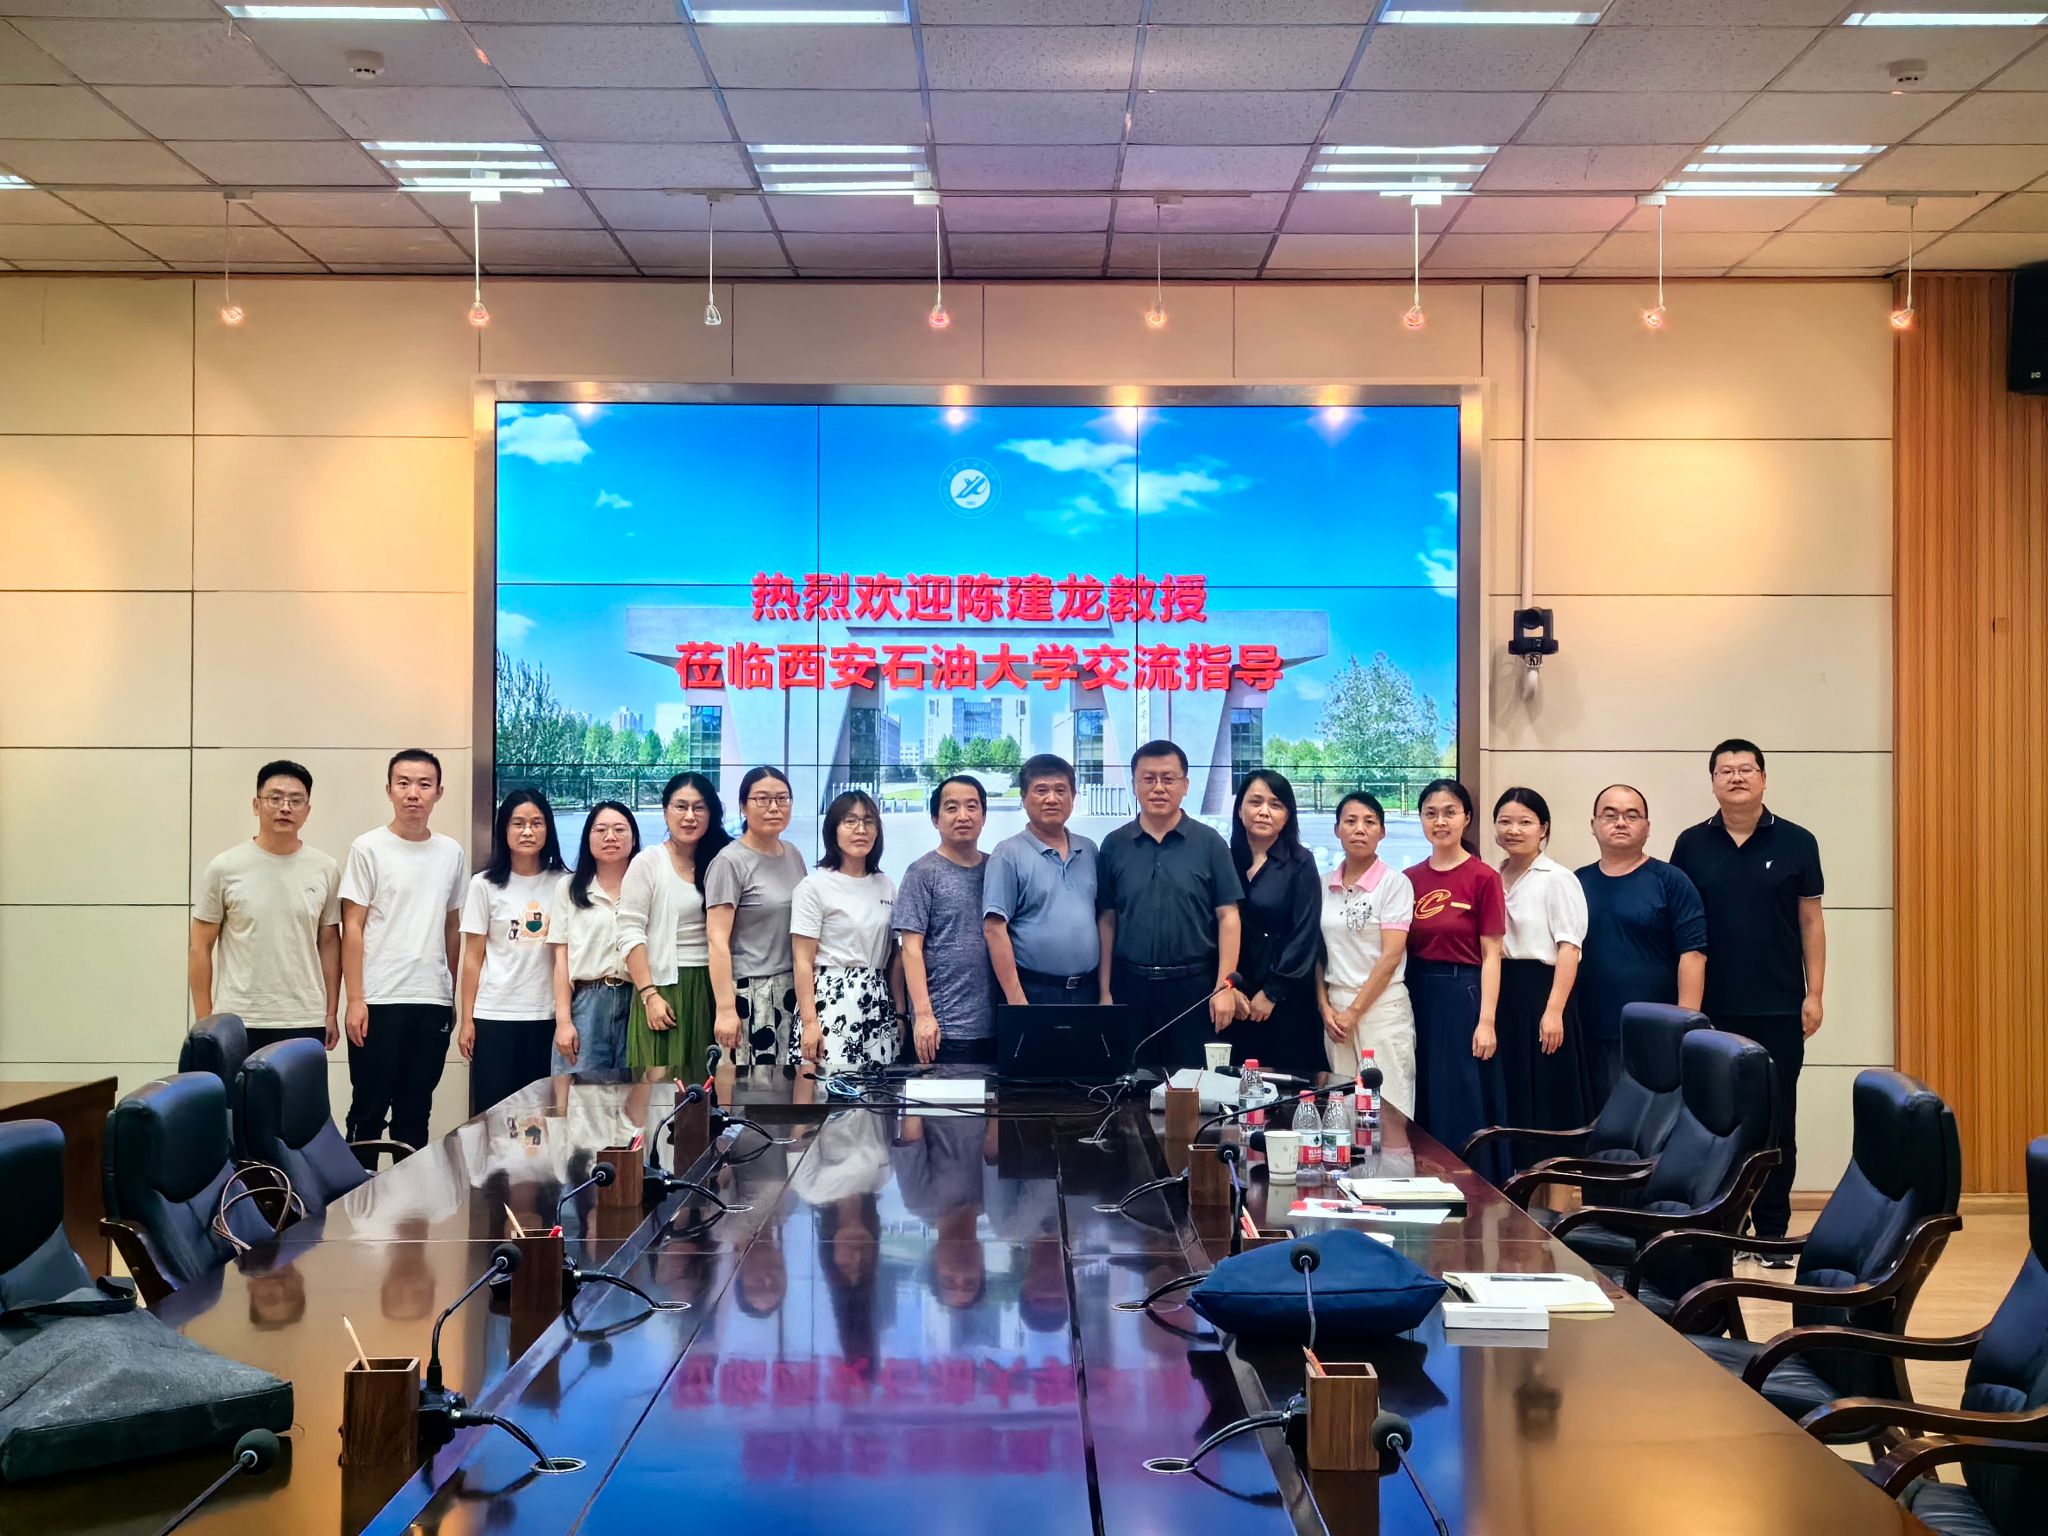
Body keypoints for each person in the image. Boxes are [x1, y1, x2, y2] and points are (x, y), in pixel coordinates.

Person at [1671, 738, 1826, 1262]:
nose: (1736, 777)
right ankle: (1721, 1229)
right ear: (1713, 781)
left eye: (1746, 769)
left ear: (1763, 778)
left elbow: (1811, 922)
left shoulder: (1798, 841)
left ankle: (1773, 1233)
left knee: (1778, 1122)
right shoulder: (1691, 844)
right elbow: (1682, 930)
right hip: (1712, 1012)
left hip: (1779, 1007)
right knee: (1717, 1123)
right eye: (1725, 770)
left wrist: (1815, 993)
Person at [341, 748, 467, 1159]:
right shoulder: (368, 847)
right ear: (389, 790)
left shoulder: (451, 852)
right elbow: (352, 926)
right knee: (368, 1109)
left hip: (431, 1000)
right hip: (379, 999)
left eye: (424, 784)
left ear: (439, 792)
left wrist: (449, 993)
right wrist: (355, 998)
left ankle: (409, 1199)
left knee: (415, 1111)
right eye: (404, 783)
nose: (414, 793)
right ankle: (358, 1196)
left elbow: (452, 926)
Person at [1096, 740, 1243, 1070]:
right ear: (1134, 784)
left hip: (1195, 989)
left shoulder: (1210, 843)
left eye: (1168, 778)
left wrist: (1223, 988)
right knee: (1129, 1085)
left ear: (1185, 785)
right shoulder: (1114, 845)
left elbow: (1229, 916)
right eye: (1148, 779)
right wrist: (1105, 991)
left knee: (1195, 1087)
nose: (1159, 788)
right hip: (1130, 987)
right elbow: (1107, 920)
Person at [190, 759, 342, 1054]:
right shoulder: (225, 867)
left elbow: (329, 943)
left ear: (307, 810)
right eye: (275, 798)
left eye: (295, 800)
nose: (285, 807)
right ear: (256, 805)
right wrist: (205, 1020)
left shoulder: (325, 868)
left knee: (298, 1088)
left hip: (303, 1017)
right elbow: (199, 946)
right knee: (234, 1087)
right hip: (237, 1018)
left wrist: (331, 1012)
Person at [1403, 778, 1509, 1183]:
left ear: (1466, 817)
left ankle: (1468, 1184)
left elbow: (1492, 954)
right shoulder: (1408, 878)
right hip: (1414, 992)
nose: (1440, 821)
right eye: (1431, 813)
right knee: (1421, 1088)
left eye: (1449, 812)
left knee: (1459, 1091)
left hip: (1461, 992)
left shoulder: (1483, 877)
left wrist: (1487, 1020)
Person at [1574, 785, 1708, 1103]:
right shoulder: (1575, 883)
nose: (1621, 822)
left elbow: (1693, 955)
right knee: (1592, 1126)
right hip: (1584, 1032)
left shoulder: (1671, 881)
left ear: (1647, 827)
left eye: (1632, 815)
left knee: (1647, 1128)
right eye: (1610, 815)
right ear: (1593, 824)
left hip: (1654, 1035)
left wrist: (1685, 1027)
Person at [457, 789, 567, 1115]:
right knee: (494, 1114)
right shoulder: (484, 885)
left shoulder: (564, 883)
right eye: (518, 823)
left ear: (548, 829)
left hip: (546, 1016)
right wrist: (467, 1020)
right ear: (503, 830)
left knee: (543, 1115)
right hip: (495, 1015)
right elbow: (472, 959)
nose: (527, 831)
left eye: (536, 823)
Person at [1492, 787, 1594, 1135]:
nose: (1513, 830)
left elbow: (1569, 948)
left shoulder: (1558, 878)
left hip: (1543, 993)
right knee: (1511, 1091)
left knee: (1547, 1093)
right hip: (1502, 991)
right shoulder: (1491, 876)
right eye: (1505, 822)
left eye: (1525, 822)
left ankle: (1550, 1169)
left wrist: (1553, 1012)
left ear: (1543, 829)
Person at [618, 772, 730, 1076]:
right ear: (665, 811)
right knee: (661, 1089)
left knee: (709, 1087)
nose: (690, 816)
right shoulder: (648, 862)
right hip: (664, 989)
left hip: (714, 987)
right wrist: (649, 995)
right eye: (681, 806)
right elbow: (629, 931)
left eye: (699, 807)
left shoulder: (723, 860)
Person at [1317, 791, 1416, 1115]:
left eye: (1369, 822)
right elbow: (1317, 954)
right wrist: (1324, 1007)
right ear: (1337, 830)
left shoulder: (1395, 884)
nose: (1359, 829)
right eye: (1350, 821)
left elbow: (1391, 957)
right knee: (1343, 1108)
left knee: (1389, 1107)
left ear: (1382, 832)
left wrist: (1354, 1012)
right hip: (1336, 1013)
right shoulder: (1322, 884)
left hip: (1381, 1009)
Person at [707, 766, 809, 1073]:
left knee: (792, 1086)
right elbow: (716, 940)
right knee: (754, 1087)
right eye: (762, 799)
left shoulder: (793, 854)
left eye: (782, 798)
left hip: (792, 988)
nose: (774, 807)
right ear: (743, 806)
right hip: (750, 993)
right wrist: (726, 1009)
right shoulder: (729, 861)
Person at [792, 789, 902, 1072]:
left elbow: (894, 956)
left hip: (878, 1001)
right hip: (831, 1002)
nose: (860, 830)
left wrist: (901, 1014)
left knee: (878, 1093)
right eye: (850, 821)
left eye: (868, 821)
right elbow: (802, 961)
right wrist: (810, 1023)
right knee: (829, 1090)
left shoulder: (886, 885)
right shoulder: (814, 886)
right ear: (833, 830)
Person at [895, 775, 997, 1065]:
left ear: (983, 816)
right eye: (951, 808)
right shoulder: (922, 872)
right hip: (943, 1029)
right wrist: (923, 1015)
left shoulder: (996, 868)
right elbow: (910, 948)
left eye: (972, 806)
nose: (963, 816)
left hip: (995, 1024)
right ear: (935, 819)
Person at [1229, 770, 1324, 1079]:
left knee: (1286, 1085)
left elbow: (1305, 933)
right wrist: (1228, 989)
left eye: (1275, 804)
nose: (1264, 811)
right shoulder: (1225, 860)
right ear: (1239, 809)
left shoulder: (1300, 862)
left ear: (1287, 815)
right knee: (1233, 1083)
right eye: (1255, 802)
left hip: (1285, 997)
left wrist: (1272, 992)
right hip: (1234, 999)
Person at [984, 753, 1099, 1006]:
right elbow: (994, 929)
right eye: (1041, 790)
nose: (1052, 799)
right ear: (1023, 797)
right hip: (1033, 991)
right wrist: (1016, 998)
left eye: (1060, 790)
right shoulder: (1008, 854)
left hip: (1087, 991)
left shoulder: (1089, 850)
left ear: (1073, 797)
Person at [548, 801, 640, 1077]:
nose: (610, 837)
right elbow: (561, 960)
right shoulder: (569, 887)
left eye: (619, 830)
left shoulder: (646, 887)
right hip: (587, 1003)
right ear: (587, 838)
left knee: (638, 1093)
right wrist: (564, 1021)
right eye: (600, 830)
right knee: (582, 1093)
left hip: (638, 1001)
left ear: (634, 838)